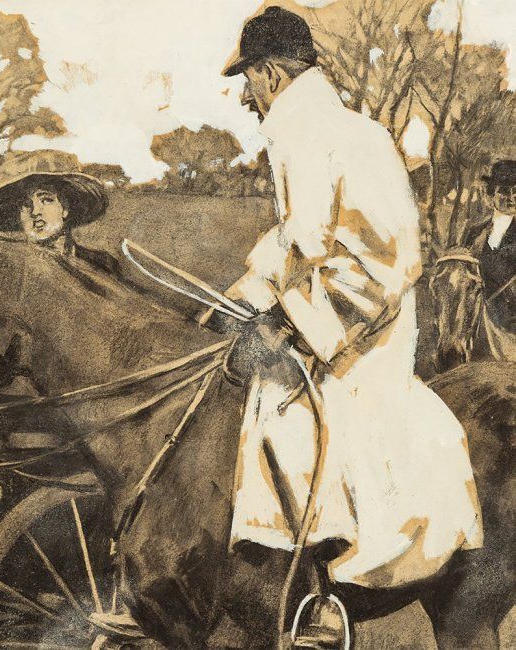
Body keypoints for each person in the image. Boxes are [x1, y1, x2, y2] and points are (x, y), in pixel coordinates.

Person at [212, 6, 482, 647]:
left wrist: (296, 328)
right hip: (323, 321)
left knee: (295, 424)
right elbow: (297, 243)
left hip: (365, 338)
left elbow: (387, 263)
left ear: (271, 73)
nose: (246, 97)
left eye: (248, 80)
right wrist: (240, 300)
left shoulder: (343, 136)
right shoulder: (302, 131)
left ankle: (326, 599)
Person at [0, 149, 120, 274]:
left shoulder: (103, 265)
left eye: (46, 200)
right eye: (26, 205)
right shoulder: (7, 266)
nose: (35, 212)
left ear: (65, 208)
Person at [480, 160, 516, 332]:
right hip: (478, 320)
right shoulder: (475, 233)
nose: (512, 198)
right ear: (490, 194)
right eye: (504, 191)